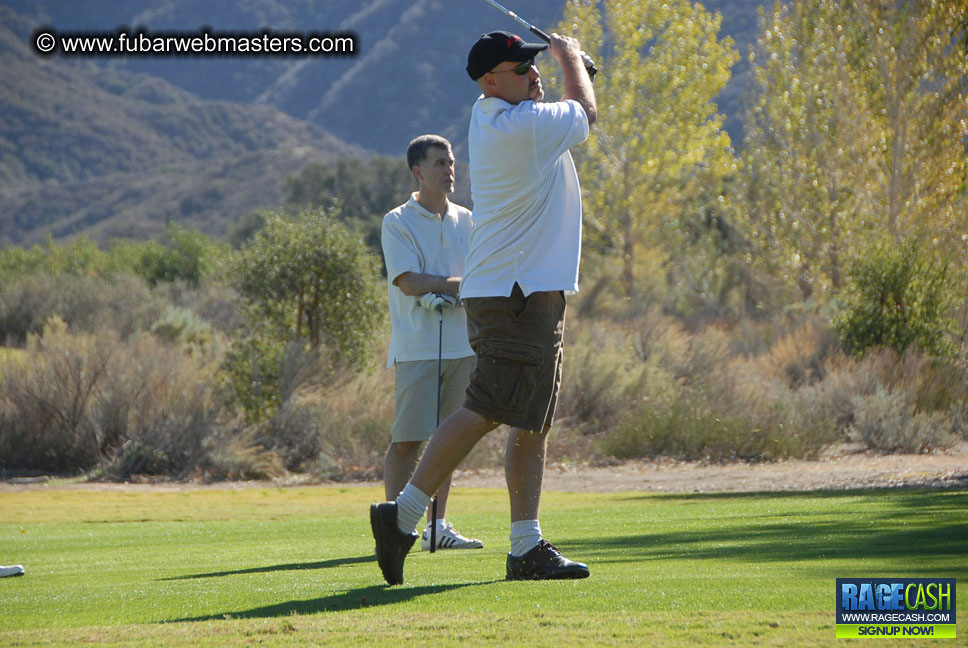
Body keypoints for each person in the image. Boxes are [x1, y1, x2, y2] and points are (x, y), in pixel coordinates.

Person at [370, 30, 596, 584]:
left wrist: (571, 69)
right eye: (521, 70)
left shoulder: (513, 117)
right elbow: (586, 112)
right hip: (514, 294)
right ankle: (400, 518)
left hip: (531, 292)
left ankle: (525, 545)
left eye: (535, 65)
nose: (533, 74)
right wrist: (571, 56)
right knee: (486, 407)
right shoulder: (514, 125)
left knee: (530, 420)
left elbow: (570, 101)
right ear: (490, 82)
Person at [380, 134, 483, 552]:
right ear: (418, 172)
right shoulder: (397, 220)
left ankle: (437, 528)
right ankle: (394, 526)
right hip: (417, 347)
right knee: (408, 440)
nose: (449, 170)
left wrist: (449, 287)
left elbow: (482, 274)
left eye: (452, 162)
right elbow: (409, 282)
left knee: (448, 439)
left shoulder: (468, 219)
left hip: (463, 345)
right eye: (440, 163)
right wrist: (459, 285)